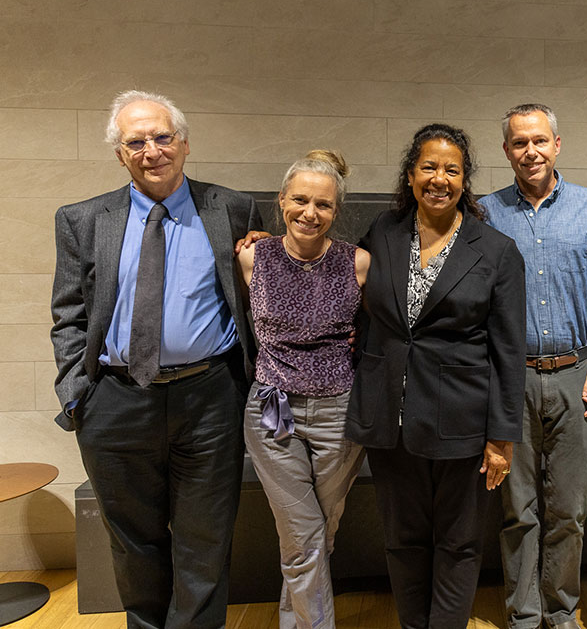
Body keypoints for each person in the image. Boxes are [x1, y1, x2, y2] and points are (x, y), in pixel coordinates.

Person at [50, 90, 263, 628]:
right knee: (134, 545)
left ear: (185, 143)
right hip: (115, 403)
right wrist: (79, 391)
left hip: (210, 399)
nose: (152, 150)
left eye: (162, 137)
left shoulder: (233, 208)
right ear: (120, 154)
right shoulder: (82, 219)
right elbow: (68, 315)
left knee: (206, 542)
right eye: (135, 142)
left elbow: (256, 297)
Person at [346, 124, 526, 629]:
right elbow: (335, 272)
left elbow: (508, 352)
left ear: (466, 180)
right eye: (429, 167)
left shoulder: (496, 250)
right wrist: (268, 244)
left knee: (459, 542)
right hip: (390, 420)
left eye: (452, 169)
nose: (439, 179)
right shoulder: (383, 231)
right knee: (402, 540)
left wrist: (502, 437)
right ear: (410, 174)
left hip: (462, 424)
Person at [479, 103, 587, 629]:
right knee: (517, 508)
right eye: (519, 142)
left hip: (575, 374)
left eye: (540, 140)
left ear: (557, 144)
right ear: (507, 150)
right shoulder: (486, 211)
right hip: (510, 376)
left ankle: (561, 612)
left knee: (568, 512)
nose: (530, 151)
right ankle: (522, 614)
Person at [236, 150, 368, 629]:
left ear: (336, 211)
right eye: (299, 200)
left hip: (340, 413)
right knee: (304, 531)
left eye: (323, 205)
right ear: (281, 201)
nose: (309, 213)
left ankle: (295, 619)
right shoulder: (253, 256)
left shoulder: (358, 263)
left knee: (318, 531)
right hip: (273, 413)